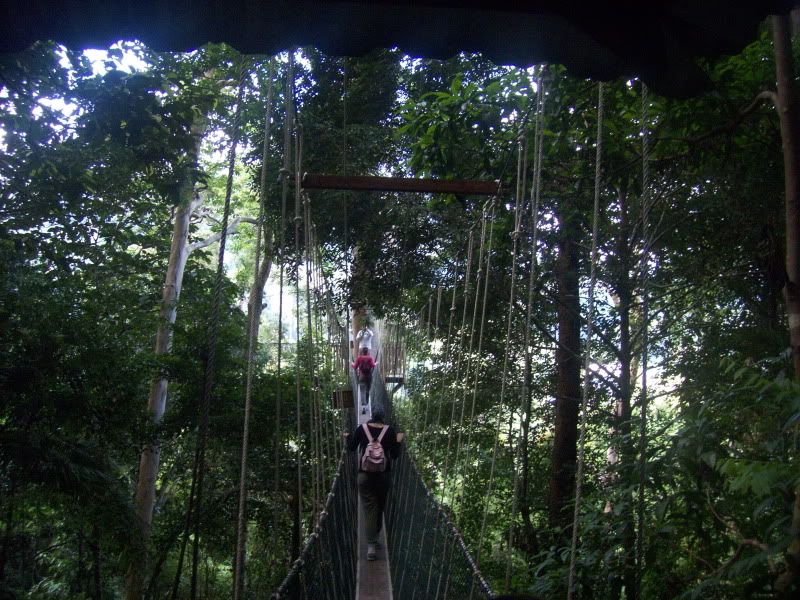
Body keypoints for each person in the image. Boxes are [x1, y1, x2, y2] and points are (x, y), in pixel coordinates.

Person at [346, 408, 403, 560]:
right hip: (383, 476)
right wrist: (398, 441)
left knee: (370, 508)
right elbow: (395, 455)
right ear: (383, 418)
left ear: (371, 418)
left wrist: (347, 437)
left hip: (364, 475)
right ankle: (375, 537)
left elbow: (351, 448)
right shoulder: (390, 431)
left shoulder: (361, 429)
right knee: (380, 507)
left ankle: (371, 546)